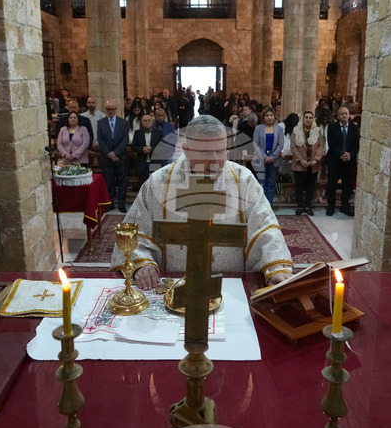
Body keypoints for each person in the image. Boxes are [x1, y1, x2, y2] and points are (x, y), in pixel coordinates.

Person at [111, 115, 293, 291]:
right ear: (187, 150)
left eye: (221, 150)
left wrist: (275, 268)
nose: (215, 161)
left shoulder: (242, 180)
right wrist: (142, 263)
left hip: (230, 287)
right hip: (176, 286)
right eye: (206, 152)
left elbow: (265, 227)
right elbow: (135, 232)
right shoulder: (160, 183)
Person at [326, 106, 359, 216]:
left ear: (349, 115)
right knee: (332, 184)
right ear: (338, 116)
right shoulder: (332, 127)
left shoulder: (354, 128)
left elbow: (356, 144)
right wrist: (341, 155)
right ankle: (331, 206)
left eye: (346, 113)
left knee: (347, 185)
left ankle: (345, 206)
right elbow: (332, 144)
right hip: (335, 160)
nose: (344, 115)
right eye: (342, 114)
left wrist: (350, 154)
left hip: (349, 161)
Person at [290, 110, 325, 216]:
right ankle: (300, 206)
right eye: (306, 117)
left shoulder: (317, 130)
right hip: (300, 163)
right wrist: (301, 160)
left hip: (313, 164)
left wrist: (316, 159)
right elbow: (293, 147)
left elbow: (321, 146)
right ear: (302, 118)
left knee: (310, 186)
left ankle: (308, 206)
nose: (308, 119)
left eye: (310, 117)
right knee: (299, 186)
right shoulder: (296, 130)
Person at [97, 100, 130, 212]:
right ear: (105, 110)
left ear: (116, 109)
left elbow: (125, 140)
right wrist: (109, 154)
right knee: (108, 181)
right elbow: (100, 140)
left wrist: (115, 153)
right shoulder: (100, 123)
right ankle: (110, 203)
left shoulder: (123, 123)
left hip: (120, 157)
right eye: (108, 109)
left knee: (122, 181)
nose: (111, 111)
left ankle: (121, 203)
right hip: (107, 158)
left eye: (112, 109)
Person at [252, 106, 284, 205]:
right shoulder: (258, 128)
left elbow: (280, 144)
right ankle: (261, 204)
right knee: (261, 182)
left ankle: (269, 205)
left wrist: (272, 157)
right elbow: (255, 143)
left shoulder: (279, 128)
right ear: (263, 117)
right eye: (267, 115)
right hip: (262, 158)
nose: (269, 117)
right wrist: (264, 157)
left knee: (271, 182)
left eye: (271, 115)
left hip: (274, 159)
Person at [131, 113, 163, 186]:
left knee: (155, 185)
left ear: (152, 122)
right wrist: (142, 149)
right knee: (143, 185)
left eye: (149, 120)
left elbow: (162, 147)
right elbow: (133, 146)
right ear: (142, 123)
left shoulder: (158, 133)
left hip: (155, 162)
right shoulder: (137, 133)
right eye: (145, 121)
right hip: (142, 162)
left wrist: (151, 149)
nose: (147, 122)